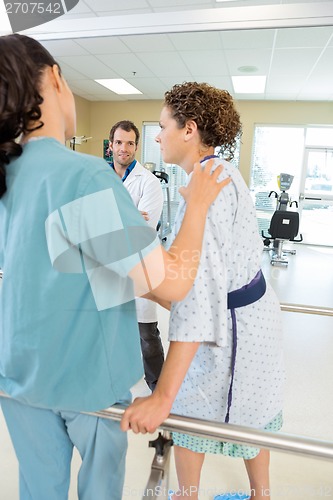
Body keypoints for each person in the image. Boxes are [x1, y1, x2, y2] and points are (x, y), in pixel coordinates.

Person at [0, 36, 231, 500]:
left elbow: (51, 268)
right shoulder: (81, 175)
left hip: (19, 377)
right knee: (100, 489)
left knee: (38, 490)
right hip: (87, 382)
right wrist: (199, 206)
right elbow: (173, 282)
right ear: (56, 80)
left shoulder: (9, 173)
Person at [121, 82, 285, 500]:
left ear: (189, 129)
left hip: (232, 326)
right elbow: (184, 273)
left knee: (193, 409)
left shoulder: (209, 186)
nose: (156, 136)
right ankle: (254, 494)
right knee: (251, 407)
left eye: (162, 126)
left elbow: (193, 294)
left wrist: (162, 395)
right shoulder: (212, 174)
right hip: (247, 316)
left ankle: (192, 495)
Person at [109, 120, 165, 392]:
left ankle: (158, 386)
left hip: (140, 267)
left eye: (130, 143)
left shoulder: (150, 183)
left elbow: (143, 232)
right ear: (111, 146)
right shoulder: (99, 178)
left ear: (136, 146)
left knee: (147, 335)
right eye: (119, 142)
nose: (124, 148)